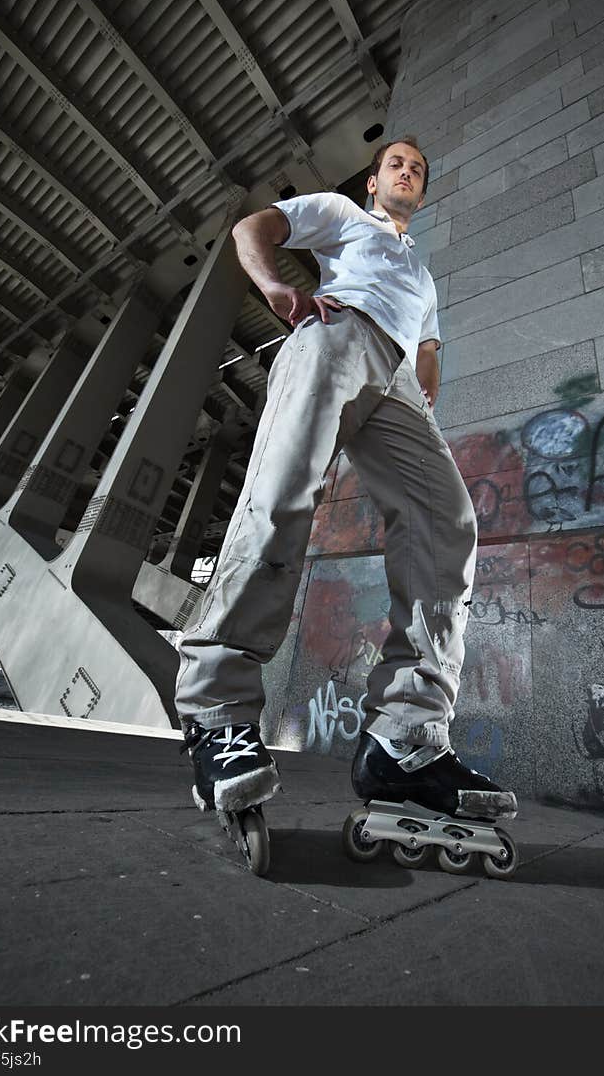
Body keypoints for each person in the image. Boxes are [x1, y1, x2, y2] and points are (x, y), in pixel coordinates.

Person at [176, 136, 516, 824]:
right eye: (397, 163)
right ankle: (217, 712)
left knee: (447, 523)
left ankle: (406, 737)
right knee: (281, 494)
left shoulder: (422, 277)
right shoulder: (342, 215)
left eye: (418, 169)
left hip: (396, 382)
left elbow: (427, 349)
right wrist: (276, 286)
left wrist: (424, 398)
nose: (408, 172)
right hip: (335, 332)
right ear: (372, 181)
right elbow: (253, 228)